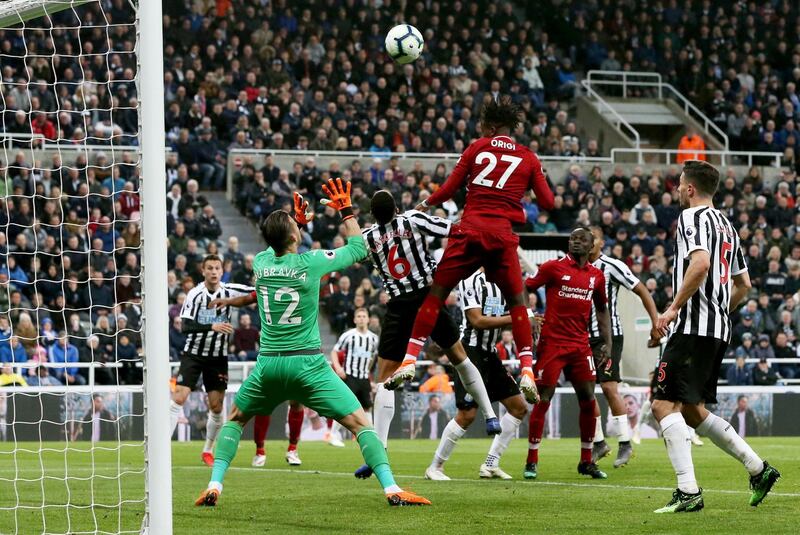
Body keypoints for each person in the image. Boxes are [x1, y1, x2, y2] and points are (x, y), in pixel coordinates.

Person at [195, 181, 430, 507]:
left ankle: (215, 484)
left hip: (268, 365)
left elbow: (279, 245)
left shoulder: (261, 264)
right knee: (360, 422)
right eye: (295, 227)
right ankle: (392, 488)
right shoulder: (311, 263)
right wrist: (346, 209)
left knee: (235, 419)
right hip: (307, 364)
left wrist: (297, 223)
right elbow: (359, 248)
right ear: (294, 237)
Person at [386, 96, 555, 412]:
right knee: (519, 304)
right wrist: (538, 174)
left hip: (470, 230)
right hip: (502, 237)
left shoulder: (477, 147)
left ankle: (409, 359)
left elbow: (449, 188)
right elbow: (548, 203)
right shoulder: (529, 158)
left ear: (490, 126)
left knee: (435, 295)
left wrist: (425, 204)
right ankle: (529, 371)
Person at [652, 160, 779, 513]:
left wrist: (675, 307)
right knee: (692, 411)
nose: (677, 189)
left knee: (662, 405)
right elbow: (745, 286)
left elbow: (701, 264)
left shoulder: (692, 218)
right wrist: (720, 311)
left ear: (690, 188)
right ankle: (759, 469)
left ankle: (688, 492)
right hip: (716, 329)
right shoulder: (727, 225)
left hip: (693, 326)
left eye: (680, 184)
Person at [353, 190, 501, 480]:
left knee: (384, 377)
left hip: (398, 306)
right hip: (428, 296)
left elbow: (359, 252)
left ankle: (378, 452)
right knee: (459, 356)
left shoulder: (369, 238)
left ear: (372, 216)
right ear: (397, 207)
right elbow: (453, 230)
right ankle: (490, 415)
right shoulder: (413, 220)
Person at [425, 269, 534, 481]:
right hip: (469, 353)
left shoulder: (505, 279)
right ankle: (435, 467)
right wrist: (517, 319)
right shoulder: (469, 279)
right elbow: (476, 320)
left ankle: (491, 464)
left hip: (490, 353)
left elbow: (518, 312)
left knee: (518, 408)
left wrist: (526, 319)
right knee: (467, 415)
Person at [523, 226, 612, 480]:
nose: (575, 242)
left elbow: (602, 310)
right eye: (572, 238)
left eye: (581, 239)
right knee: (543, 398)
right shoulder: (553, 267)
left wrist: (607, 344)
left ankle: (586, 461)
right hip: (552, 344)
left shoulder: (597, 276)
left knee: (588, 400)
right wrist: (528, 315)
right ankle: (532, 460)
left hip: (580, 346)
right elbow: (525, 286)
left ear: (591, 245)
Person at [168, 255, 253, 467]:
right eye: (210, 268)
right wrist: (211, 326)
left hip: (217, 356)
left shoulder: (229, 290)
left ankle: (207, 450)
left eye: (217, 268)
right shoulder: (195, 294)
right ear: (203, 271)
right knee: (179, 397)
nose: (214, 272)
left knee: (216, 407)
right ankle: (162, 447)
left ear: (222, 271)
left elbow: (253, 294)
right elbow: (186, 326)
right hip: (194, 354)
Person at [588, 226, 660, 467]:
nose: (587, 243)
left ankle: (625, 443)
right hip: (582, 337)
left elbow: (641, 289)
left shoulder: (612, 266)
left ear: (601, 244)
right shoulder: (573, 266)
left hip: (609, 337)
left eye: (593, 238)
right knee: (586, 392)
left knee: (609, 388)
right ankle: (599, 442)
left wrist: (655, 322)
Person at [329, 308, 379, 447]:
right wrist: (338, 368)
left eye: (364, 316)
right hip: (350, 375)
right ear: (355, 319)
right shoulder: (348, 335)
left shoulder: (373, 338)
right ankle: (332, 435)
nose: (362, 318)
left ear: (368, 319)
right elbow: (334, 352)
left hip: (364, 378)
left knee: (367, 407)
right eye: (359, 316)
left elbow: (372, 357)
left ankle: (371, 436)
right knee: (345, 406)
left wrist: (368, 372)